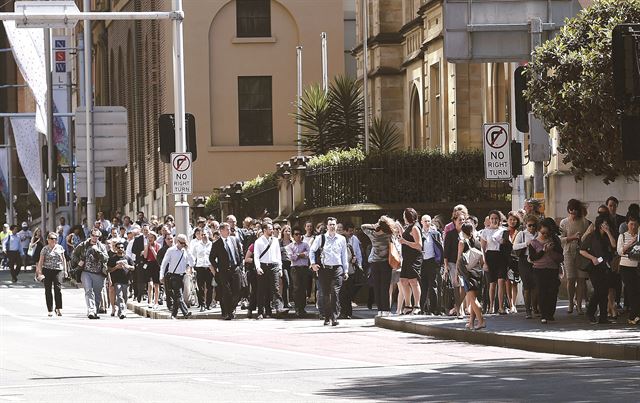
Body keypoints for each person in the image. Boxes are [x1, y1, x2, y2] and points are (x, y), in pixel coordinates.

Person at [310, 217, 348, 326]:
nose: (332, 226)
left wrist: (345, 270)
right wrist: (313, 264)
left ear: (336, 226)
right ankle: (327, 317)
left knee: (335, 292)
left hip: (337, 269)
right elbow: (312, 251)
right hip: (324, 269)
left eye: (334, 225)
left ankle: (334, 317)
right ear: (327, 226)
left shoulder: (341, 239)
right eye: (330, 224)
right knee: (326, 294)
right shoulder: (320, 238)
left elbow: (344, 255)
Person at [580, 215, 617, 325]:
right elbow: (582, 250)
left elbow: (614, 245)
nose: (605, 226)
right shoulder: (592, 236)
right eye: (603, 224)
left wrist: (608, 232)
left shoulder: (607, 236)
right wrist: (593, 258)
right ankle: (591, 312)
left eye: (607, 224)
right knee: (599, 290)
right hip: (594, 266)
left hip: (605, 266)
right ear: (599, 224)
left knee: (604, 291)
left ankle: (603, 317)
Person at [528, 218, 564, 324]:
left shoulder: (554, 240)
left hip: (552, 269)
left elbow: (561, 257)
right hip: (539, 270)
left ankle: (550, 313)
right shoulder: (533, 243)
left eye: (547, 233)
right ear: (539, 231)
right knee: (542, 291)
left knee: (553, 291)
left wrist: (551, 251)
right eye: (543, 233)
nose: (545, 235)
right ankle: (544, 314)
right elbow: (533, 258)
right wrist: (543, 251)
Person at [560, 199, 591, 315]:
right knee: (571, 278)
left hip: (582, 253)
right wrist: (572, 238)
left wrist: (582, 238)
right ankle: (570, 302)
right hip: (568, 252)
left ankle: (579, 305)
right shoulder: (564, 222)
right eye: (571, 210)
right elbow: (560, 239)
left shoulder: (585, 222)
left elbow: (588, 238)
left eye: (575, 211)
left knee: (581, 279)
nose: (573, 213)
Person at [209, 223, 244, 320]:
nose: (229, 231)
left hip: (235, 269)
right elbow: (211, 258)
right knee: (227, 292)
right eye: (227, 229)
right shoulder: (217, 244)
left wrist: (240, 265)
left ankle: (231, 309)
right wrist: (217, 268)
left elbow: (240, 253)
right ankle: (228, 312)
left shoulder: (234, 240)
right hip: (224, 271)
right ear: (221, 231)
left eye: (229, 229)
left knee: (237, 291)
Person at [72, 229, 109, 319]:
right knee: (88, 291)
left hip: (99, 273)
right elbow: (74, 255)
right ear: (90, 235)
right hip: (86, 272)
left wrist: (98, 251)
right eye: (93, 235)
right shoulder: (83, 245)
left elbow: (106, 258)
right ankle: (91, 310)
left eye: (97, 236)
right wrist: (78, 261)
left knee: (97, 293)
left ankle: (95, 311)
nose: (94, 238)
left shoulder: (101, 246)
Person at [254, 222, 288, 319]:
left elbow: (278, 256)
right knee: (262, 290)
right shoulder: (258, 242)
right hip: (263, 266)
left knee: (276, 288)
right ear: (264, 230)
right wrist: (258, 267)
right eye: (269, 228)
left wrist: (280, 268)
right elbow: (256, 256)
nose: (272, 230)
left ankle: (279, 308)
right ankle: (261, 311)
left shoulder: (275, 241)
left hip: (274, 266)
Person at [457, 222, 485, 330]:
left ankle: (481, 321)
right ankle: (471, 323)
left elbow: (459, 259)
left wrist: (457, 273)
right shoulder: (478, 243)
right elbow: (483, 261)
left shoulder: (462, 242)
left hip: (467, 273)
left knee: (472, 299)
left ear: (463, 231)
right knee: (474, 298)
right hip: (478, 272)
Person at [159, 233, 194, 319]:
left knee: (177, 296)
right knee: (179, 295)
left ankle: (174, 314)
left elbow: (192, 262)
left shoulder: (185, 251)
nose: (183, 245)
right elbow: (164, 263)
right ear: (177, 241)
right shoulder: (171, 250)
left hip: (182, 276)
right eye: (182, 243)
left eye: (184, 243)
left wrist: (188, 250)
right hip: (173, 276)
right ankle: (185, 312)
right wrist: (161, 275)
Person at [481, 210, 509, 315]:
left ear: (499, 219)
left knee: (501, 282)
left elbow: (507, 244)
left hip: (501, 257)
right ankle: (491, 306)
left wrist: (503, 241)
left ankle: (501, 307)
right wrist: (484, 262)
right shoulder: (485, 231)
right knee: (492, 284)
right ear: (489, 219)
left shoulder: (504, 230)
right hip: (490, 257)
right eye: (492, 218)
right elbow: (483, 249)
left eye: (496, 218)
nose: (494, 220)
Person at [36, 232, 68, 317]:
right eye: (52, 239)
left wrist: (65, 270)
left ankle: (58, 308)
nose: (54, 240)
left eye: (55, 239)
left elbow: (63, 259)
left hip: (58, 270)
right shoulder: (45, 249)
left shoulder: (60, 248)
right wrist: (39, 272)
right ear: (48, 240)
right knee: (48, 289)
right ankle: (50, 309)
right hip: (47, 270)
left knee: (58, 289)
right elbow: (41, 261)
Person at [513, 215, 539, 319]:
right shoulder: (522, 234)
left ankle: (535, 308)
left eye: (534, 225)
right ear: (525, 225)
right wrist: (526, 244)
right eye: (530, 225)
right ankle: (528, 310)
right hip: (524, 261)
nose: (532, 227)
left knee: (536, 286)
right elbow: (514, 246)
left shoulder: (538, 234)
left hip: (536, 260)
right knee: (527, 286)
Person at [398, 208, 423, 315]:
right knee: (403, 280)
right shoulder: (409, 227)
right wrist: (399, 228)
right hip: (407, 258)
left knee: (413, 281)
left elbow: (419, 245)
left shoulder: (415, 228)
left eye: (404, 215)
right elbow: (406, 236)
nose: (403, 217)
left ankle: (417, 305)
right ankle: (408, 305)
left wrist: (404, 242)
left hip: (414, 258)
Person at [618, 214, 640, 325]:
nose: (633, 227)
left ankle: (636, 314)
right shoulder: (622, 236)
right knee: (631, 291)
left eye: (636, 225)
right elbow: (620, 251)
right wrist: (632, 242)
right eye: (631, 224)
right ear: (627, 224)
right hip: (626, 267)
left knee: (637, 291)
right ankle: (632, 316)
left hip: (637, 267)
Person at [444, 210, 467, 318]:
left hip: (465, 263)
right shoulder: (450, 234)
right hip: (453, 263)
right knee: (457, 284)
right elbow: (446, 252)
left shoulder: (466, 233)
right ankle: (459, 310)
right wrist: (446, 267)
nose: (462, 221)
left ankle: (458, 306)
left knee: (465, 286)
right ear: (454, 221)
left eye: (463, 219)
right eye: (459, 220)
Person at [420, 214, 444, 315]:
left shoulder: (435, 233)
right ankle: (422, 308)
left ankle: (433, 309)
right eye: (425, 221)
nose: (427, 223)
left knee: (433, 285)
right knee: (423, 285)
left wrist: (440, 262)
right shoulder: (418, 233)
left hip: (432, 261)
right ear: (421, 222)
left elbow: (440, 248)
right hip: (422, 262)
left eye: (429, 221)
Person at [286, 227, 311, 317]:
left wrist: (297, 255)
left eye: (300, 234)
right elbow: (291, 257)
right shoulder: (290, 246)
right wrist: (301, 254)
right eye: (296, 234)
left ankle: (302, 308)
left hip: (304, 268)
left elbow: (308, 254)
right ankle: (297, 307)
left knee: (303, 288)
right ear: (293, 236)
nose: (298, 236)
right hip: (295, 268)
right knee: (297, 288)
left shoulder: (305, 244)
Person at [107, 241, 134, 319]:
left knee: (125, 296)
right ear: (115, 249)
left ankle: (121, 310)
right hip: (116, 281)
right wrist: (116, 267)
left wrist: (127, 266)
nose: (120, 249)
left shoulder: (127, 258)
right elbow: (108, 270)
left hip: (126, 280)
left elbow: (133, 267)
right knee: (119, 295)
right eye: (118, 248)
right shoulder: (112, 259)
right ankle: (122, 311)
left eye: (122, 247)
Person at [191, 227, 214, 311]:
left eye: (205, 234)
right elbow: (193, 257)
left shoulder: (212, 245)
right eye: (202, 234)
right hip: (199, 267)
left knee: (210, 287)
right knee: (200, 287)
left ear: (208, 235)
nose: (203, 236)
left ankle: (209, 304)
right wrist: (191, 267)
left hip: (209, 268)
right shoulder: (196, 245)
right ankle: (202, 304)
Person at [505, 211, 521, 313]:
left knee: (515, 282)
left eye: (514, 220)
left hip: (517, 259)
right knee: (508, 282)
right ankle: (510, 303)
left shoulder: (520, 232)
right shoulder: (504, 231)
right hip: (506, 259)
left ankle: (513, 304)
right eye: (510, 219)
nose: (512, 221)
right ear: (507, 220)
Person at [143, 231, 161, 309]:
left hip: (156, 265)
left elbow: (157, 257)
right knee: (150, 284)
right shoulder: (146, 245)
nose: (150, 239)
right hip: (149, 264)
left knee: (156, 284)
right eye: (149, 237)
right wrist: (147, 247)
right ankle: (149, 301)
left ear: (154, 238)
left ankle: (156, 301)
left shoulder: (158, 245)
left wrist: (153, 249)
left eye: (151, 237)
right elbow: (145, 256)